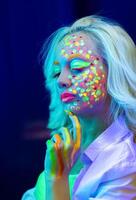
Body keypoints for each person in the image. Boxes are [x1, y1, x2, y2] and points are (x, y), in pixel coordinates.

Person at [22, 15, 136, 200]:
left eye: (77, 68)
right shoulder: (64, 142)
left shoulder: (126, 162)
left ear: (114, 73)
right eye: (57, 72)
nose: (61, 80)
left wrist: (57, 179)